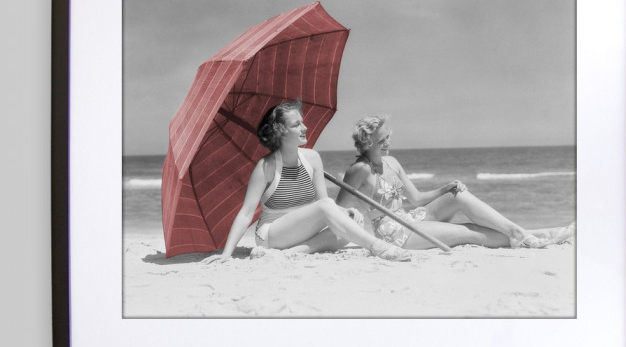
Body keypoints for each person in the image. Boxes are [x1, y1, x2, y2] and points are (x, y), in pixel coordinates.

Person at [203, 101, 411, 263]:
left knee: (352, 220)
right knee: (334, 212)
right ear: (281, 131)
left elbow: (324, 204)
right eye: (296, 124)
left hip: (300, 232)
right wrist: (227, 254)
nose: (305, 127)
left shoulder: (312, 158)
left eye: (302, 122)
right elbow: (246, 213)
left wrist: (345, 212)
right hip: (272, 233)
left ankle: (293, 253)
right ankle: (377, 247)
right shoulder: (266, 167)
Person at [335, 116, 575, 251]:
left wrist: (445, 188)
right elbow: (339, 211)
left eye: (388, 138)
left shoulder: (392, 162)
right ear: (367, 143)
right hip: (395, 234)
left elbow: (416, 199)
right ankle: (538, 234)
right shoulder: (359, 170)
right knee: (468, 231)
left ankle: (519, 232)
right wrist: (351, 213)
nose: (387, 144)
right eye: (381, 141)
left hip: (410, 218)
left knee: (456, 195)